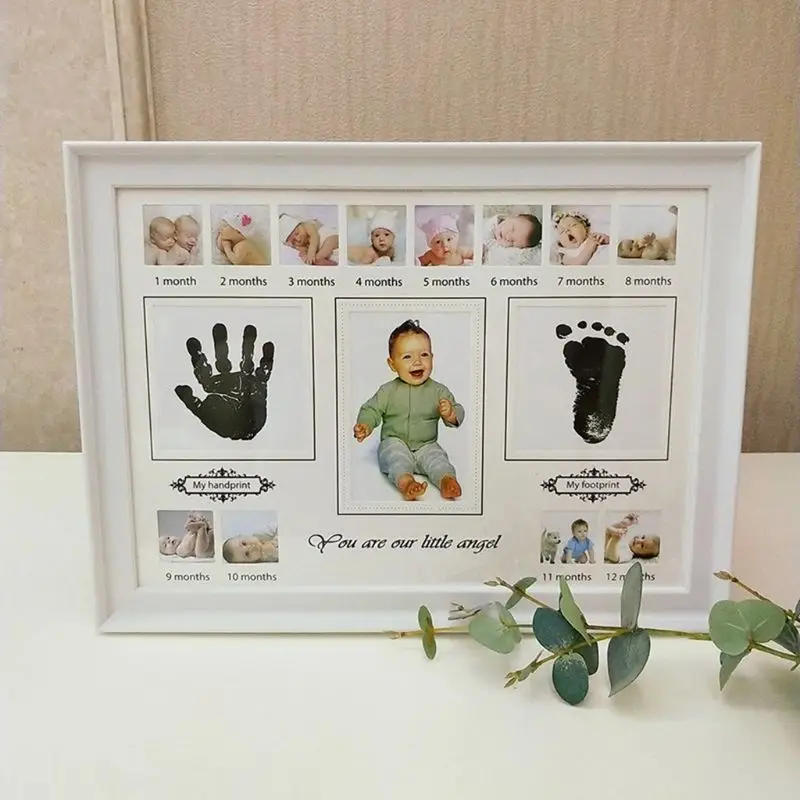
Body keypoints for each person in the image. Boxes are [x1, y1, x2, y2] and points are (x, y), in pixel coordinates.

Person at [353, 319, 464, 501]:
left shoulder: (438, 391)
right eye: (407, 357)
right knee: (396, 458)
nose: (417, 362)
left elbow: (458, 410)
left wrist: (451, 414)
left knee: (438, 459)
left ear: (432, 358)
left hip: (426, 444)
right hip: (395, 441)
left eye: (424, 354)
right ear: (392, 364)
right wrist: (365, 424)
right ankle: (407, 483)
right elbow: (371, 409)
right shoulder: (388, 391)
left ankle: (447, 480)